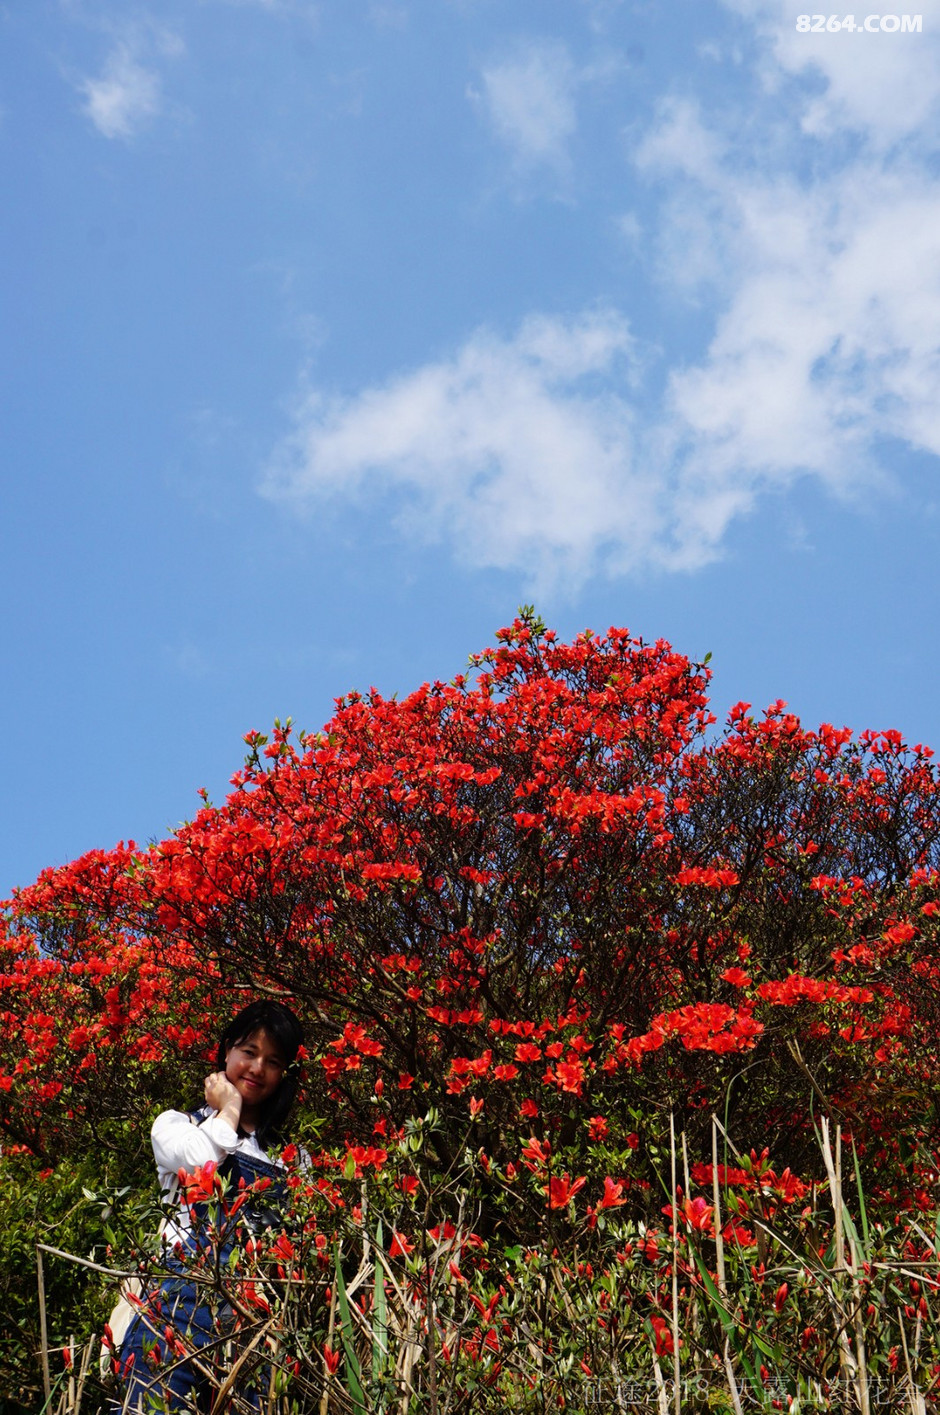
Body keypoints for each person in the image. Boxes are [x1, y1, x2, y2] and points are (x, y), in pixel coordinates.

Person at [117, 999, 305, 1413]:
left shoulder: (291, 1158)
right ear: (227, 1051)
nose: (257, 1068)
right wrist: (230, 1107)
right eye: (249, 1052)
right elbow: (201, 1159)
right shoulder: (176, 1125)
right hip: (174, 1313)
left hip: (252, 1327)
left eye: (273, 1061)